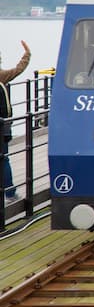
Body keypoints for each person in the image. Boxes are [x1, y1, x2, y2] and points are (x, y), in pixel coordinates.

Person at [0, 40, 31, 202]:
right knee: (4, 159)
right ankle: (10, 194)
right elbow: (19, 69)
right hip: (3, 127)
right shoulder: (2, 77)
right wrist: (27, 54)